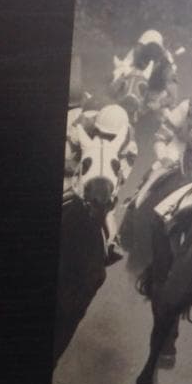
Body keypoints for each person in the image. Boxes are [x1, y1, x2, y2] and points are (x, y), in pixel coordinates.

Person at [65, 103, 137, 265]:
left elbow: (120, 177)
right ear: (96, 126)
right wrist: (76, 168)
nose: (104, 138)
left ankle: (112, 242)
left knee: (108, 209)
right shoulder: (82, 124)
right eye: (101, 133)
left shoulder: (130, 146)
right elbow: (67, 154)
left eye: (110, 136)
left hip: (104, 178)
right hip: (77, 165)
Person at [133, 85, 192, 207]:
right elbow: (160, 137)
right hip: (179, 143)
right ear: (189, 106)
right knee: (160, 168)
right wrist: (163, 157)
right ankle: (139, 195)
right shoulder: (182, 109)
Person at [110, 29, 179, 112]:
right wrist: (119, 82)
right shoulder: (139, 54)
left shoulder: (167, 68)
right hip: (140, 92)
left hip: (157, 95)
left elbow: (173, 98)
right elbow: (122, 73)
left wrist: (159, 104)